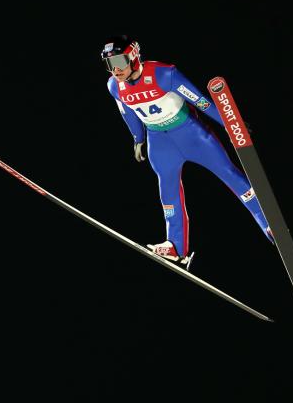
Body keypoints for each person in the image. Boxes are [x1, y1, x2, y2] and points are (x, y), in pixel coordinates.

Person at [101, 35, 273, 268]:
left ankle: (267, 222)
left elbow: (201, 101)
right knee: (167, 192)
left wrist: (231, 124)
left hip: (192, 134)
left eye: (119, 62)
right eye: (111, 65)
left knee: (229, 174)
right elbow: (128, 113)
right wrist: (138, 139)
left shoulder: (164, 74)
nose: (116, 70)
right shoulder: (114, 86)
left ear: (133, 57)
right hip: (159, 143)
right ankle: (175, 246)